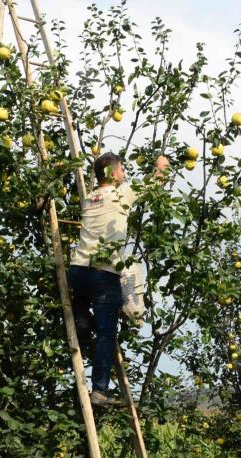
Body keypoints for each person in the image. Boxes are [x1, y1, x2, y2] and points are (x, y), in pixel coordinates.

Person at [68, 153, 169, 407]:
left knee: (82, 306)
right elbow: (158, 179)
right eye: (121, 169)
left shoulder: (90, 198)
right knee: (106, 333)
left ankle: (81, 323)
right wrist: (161, 162)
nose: (124, 173)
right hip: (104, 274)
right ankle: (100, 390)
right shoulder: (121, 193)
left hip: (78, 270)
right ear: (113, 174)